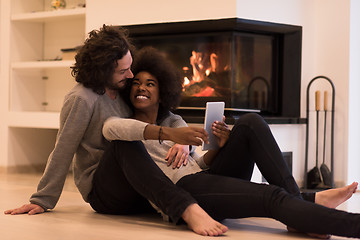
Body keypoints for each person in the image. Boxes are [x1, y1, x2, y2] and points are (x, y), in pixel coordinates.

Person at [102, 46, 360, 238]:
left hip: (201, 179)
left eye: (150, 84)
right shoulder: (131, 130)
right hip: (184, 192)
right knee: (270, 196)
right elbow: (112, 130)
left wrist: (218, 147)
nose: (141, 88)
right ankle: (338, 221)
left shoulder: (174, 121)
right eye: (135, 83)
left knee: (249, 122)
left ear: (163, 92)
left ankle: (300, 210)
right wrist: (171, 137)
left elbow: (197, 164)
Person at [3, 25, 228, 236]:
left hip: (133, 179)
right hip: (104, 190)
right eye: (124, 70)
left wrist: (183, 138)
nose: (131, 75)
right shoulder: (82, 99)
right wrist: (42, 199)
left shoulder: (120, 89)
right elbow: (63, 149)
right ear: (103, 70)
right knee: (123, 141)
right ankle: (185, 209)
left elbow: (164, 116)